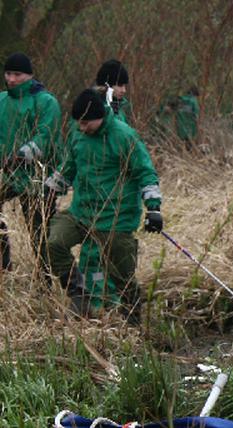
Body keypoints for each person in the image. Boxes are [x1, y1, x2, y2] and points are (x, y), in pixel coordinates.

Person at [43, 88, 162, 315]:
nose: (81, 127)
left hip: (116, 217)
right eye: (78, 122)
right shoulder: (79, 135)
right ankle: (79, 292)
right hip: (81, 212)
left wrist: (154, 209)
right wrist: (50, 189)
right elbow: (67, 167)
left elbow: (146, 172)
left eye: (86, 123)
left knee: (119, 274)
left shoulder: (124, 136)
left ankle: (132, 311)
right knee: (55, 243)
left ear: (101, 117)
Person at [0, 52, 62, 270]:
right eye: (8, 73)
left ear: (29, 75)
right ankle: (3, 264)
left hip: (37, 175)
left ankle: (47, 279)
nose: (12, 79)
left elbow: (47, 136)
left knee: (41, 232)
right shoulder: (1, 100)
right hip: (6, 171)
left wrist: (22, 155)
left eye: (17, 74)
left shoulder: (46, 102)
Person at [94, 59, 132, 124]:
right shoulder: (91, 107)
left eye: (124, 86)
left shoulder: (121, 106)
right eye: (120, 85)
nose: (124, 90)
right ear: (107, 85)